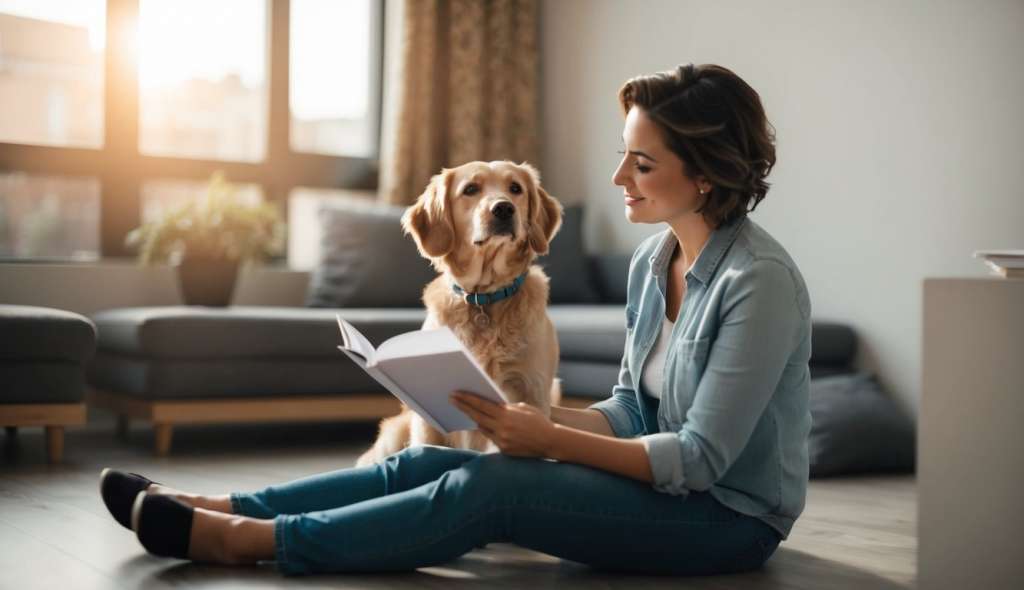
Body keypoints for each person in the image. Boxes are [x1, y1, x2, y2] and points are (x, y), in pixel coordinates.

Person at [99, 62, 811, 576]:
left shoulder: (760, 283)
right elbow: (630, 408)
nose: (619, 178)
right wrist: (540, 424)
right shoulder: (653, 264)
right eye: (623, 157)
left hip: (726, 521)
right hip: (657, 489)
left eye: (642, 164)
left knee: (490, 486)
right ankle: (216, 503)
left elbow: (699, 460)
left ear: (707, 173)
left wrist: (542, 434)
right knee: (424, 457)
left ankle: (247, 542)